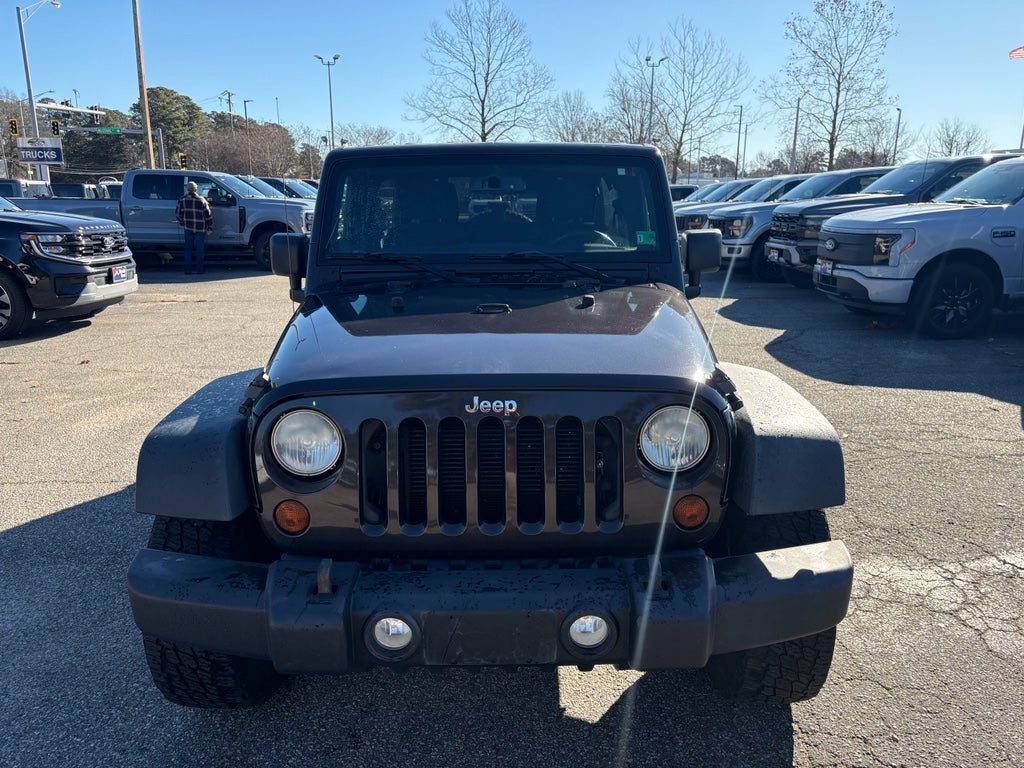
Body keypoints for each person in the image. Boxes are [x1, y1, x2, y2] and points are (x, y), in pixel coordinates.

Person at [175, 181, 213, 275]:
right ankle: (199, 269)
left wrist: (182, 223)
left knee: (188, 249)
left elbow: (178, 214)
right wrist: (210, 227)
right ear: (196, 189)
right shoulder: (201, 200)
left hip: (188, 228)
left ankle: (188, 270)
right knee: (199, 249)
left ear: (187, 189)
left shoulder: (182, 200)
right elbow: (208, 215)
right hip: (201, 228)